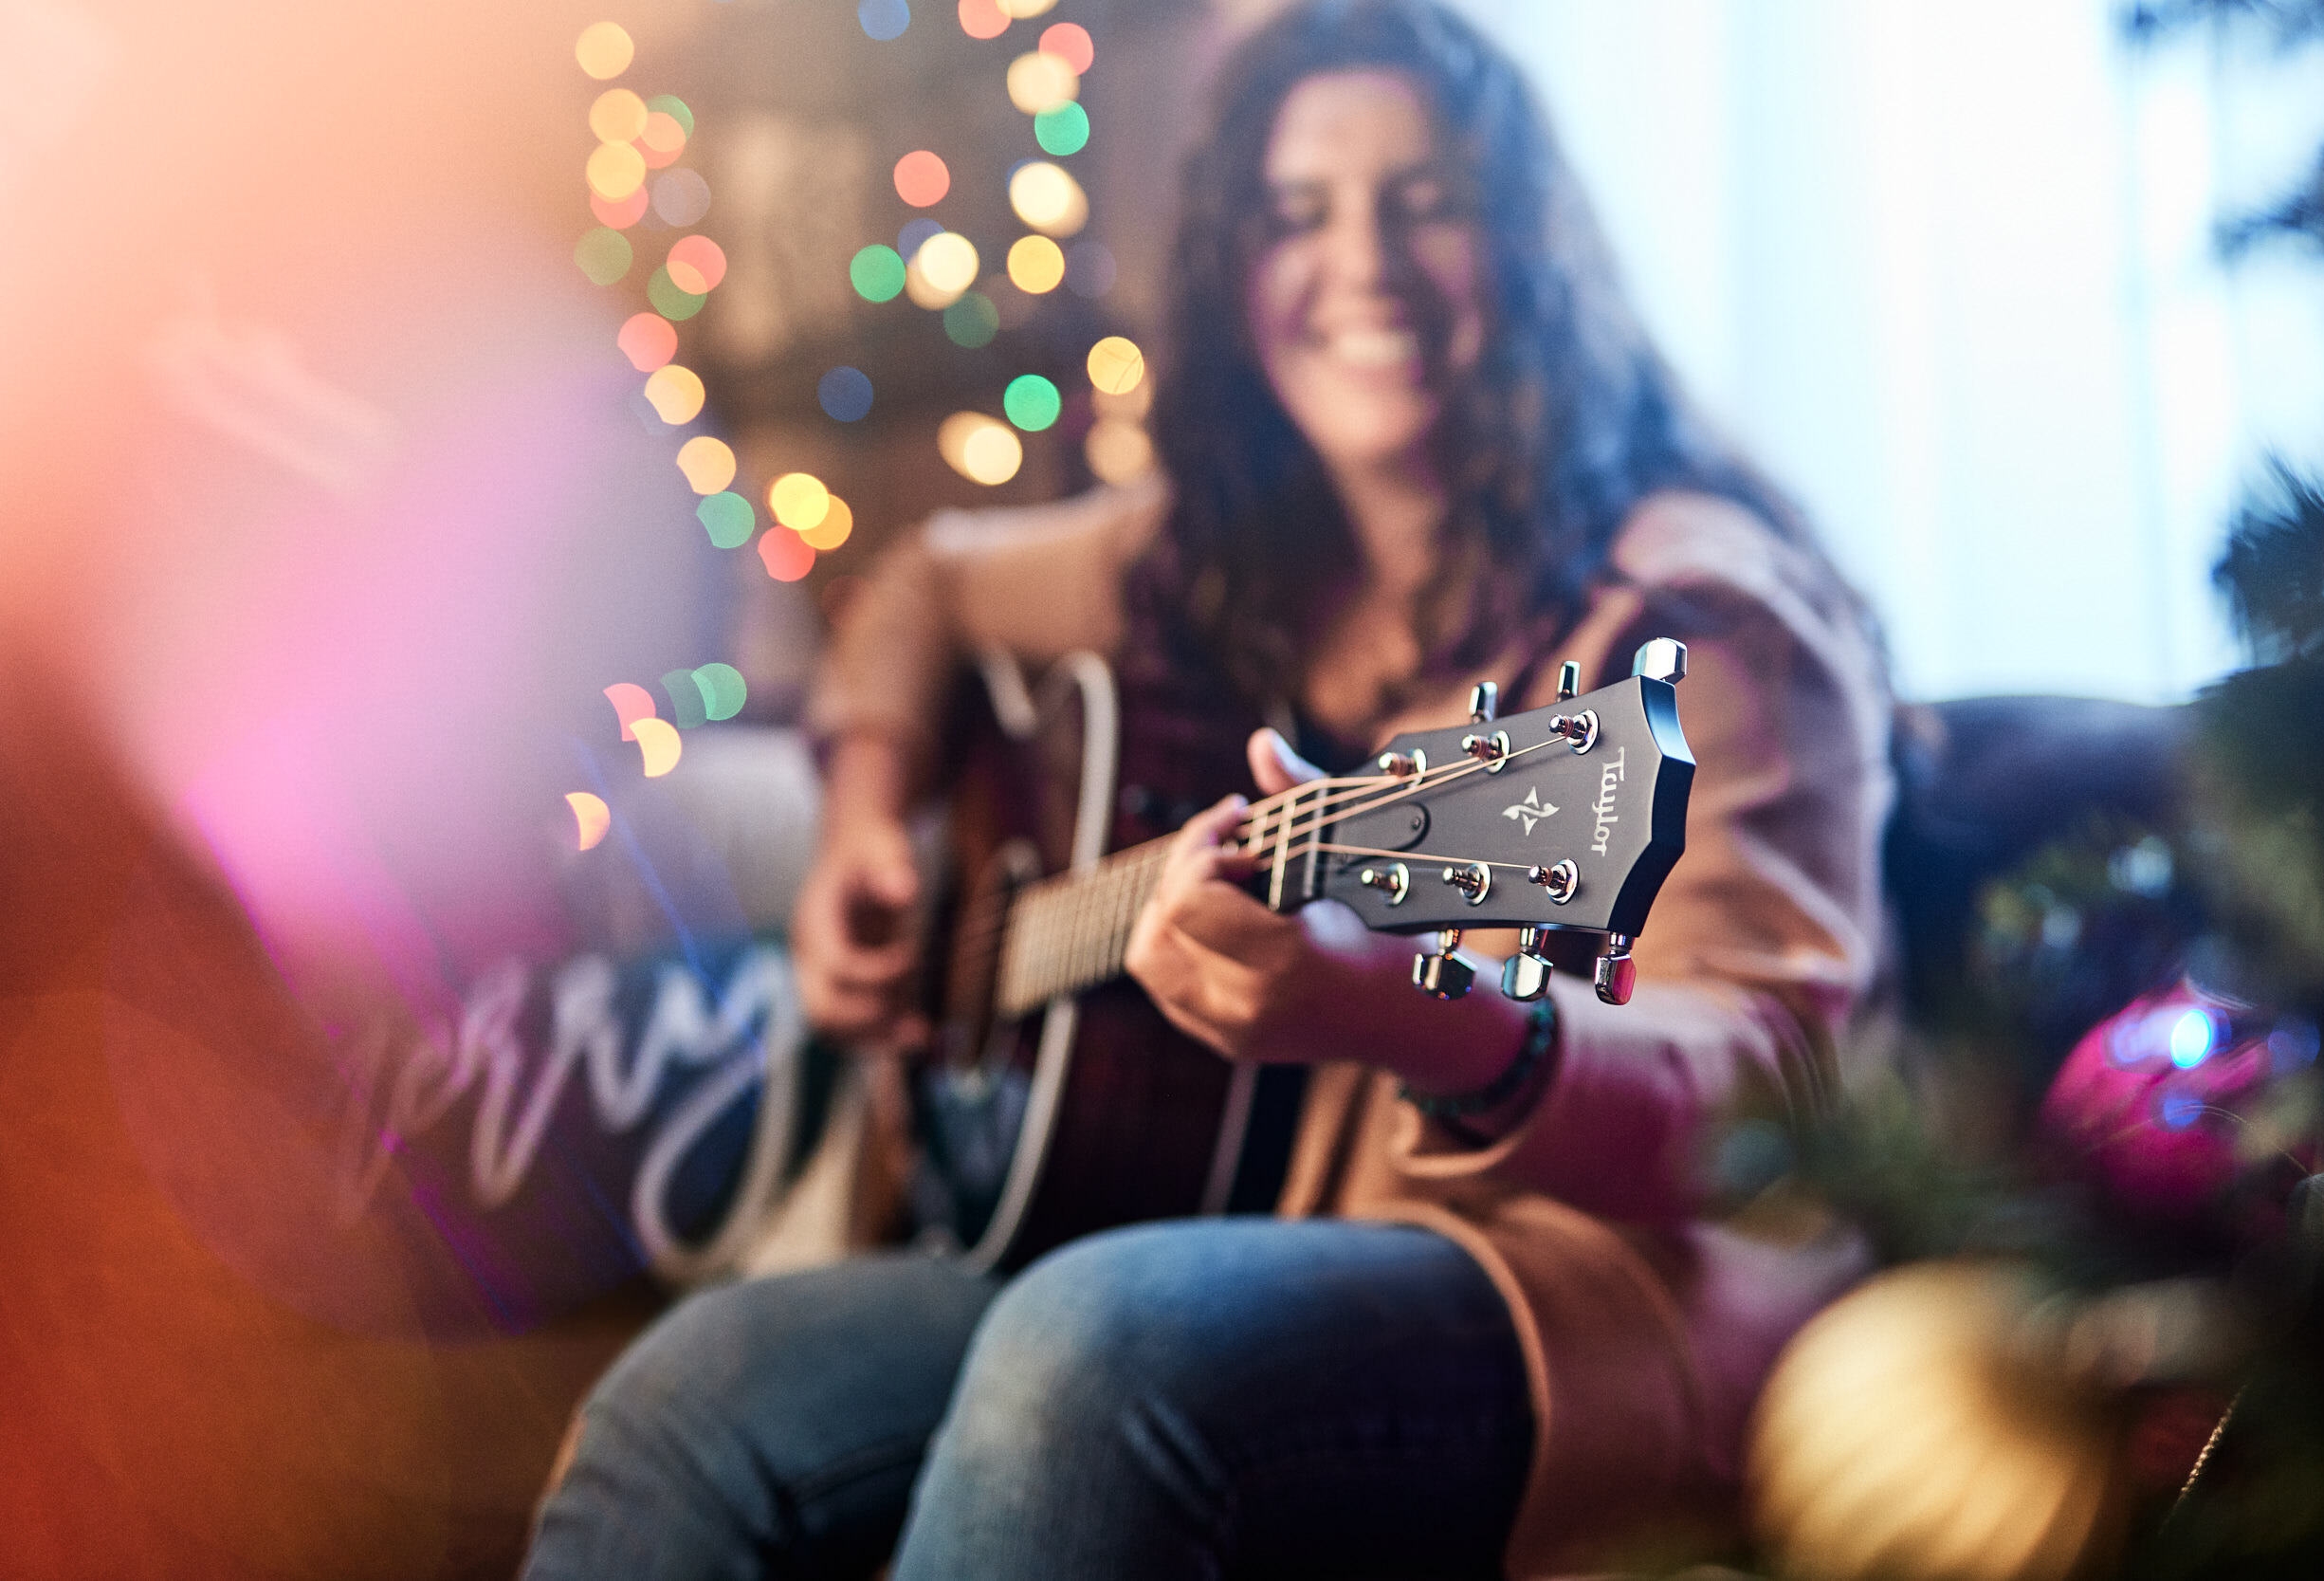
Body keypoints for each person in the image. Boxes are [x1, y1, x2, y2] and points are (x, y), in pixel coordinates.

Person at [523, 2, 1892, 1576]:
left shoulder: (1700, 626)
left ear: (1531, 240)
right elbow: (921, 587)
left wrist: (1403, 1012)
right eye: (1297, 215)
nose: (1362, 264)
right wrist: (863, 825)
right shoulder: (1230, 557)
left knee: (1094, 1346)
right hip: (1221, 1245)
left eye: (1427, 200)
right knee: (694, 1391)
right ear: (1235, 275)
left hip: (1587, 1295)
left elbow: (1773, 1091)